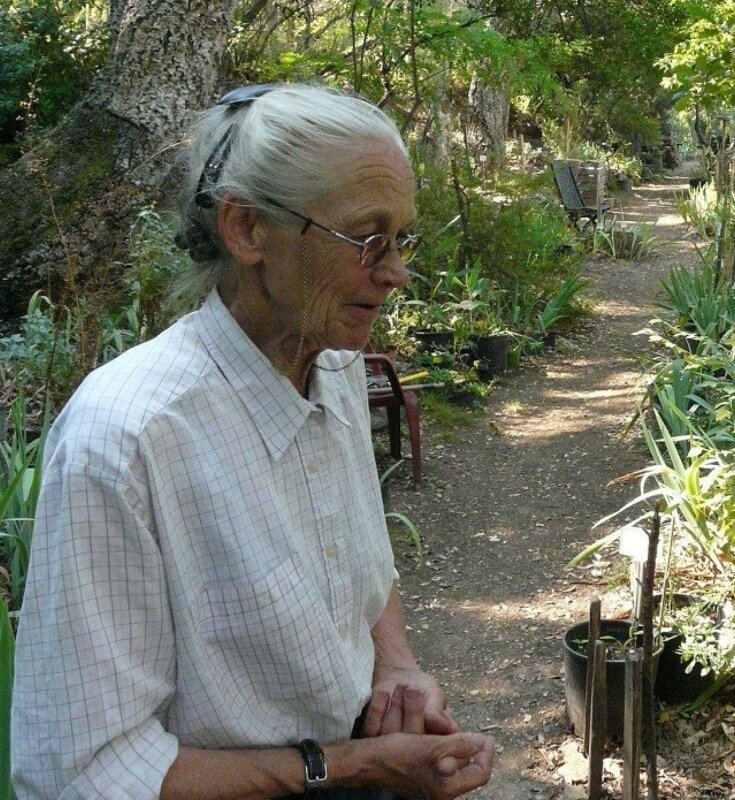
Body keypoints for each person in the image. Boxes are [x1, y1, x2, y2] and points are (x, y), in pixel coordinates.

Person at [11, 83, 495, 800]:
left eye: (400, 240)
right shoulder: (127, 439)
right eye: (367, 239)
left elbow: (363, 565)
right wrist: (352, 766)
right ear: (246, 230)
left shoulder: (332, 364)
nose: (395, 273)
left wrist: (393, 664)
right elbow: (82, 774)